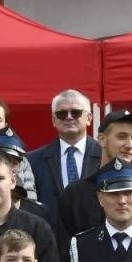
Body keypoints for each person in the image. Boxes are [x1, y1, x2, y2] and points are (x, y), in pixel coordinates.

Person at [56, 109, 132, 240]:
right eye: (122, 137)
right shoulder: (74, 195)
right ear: (102, 140)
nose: (130, 145)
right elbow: (66, 247)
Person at [27, 90, 101, 223]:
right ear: (54, 120)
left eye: (76, 112)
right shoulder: (32, 160)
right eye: (62, 114)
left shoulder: (106, 156)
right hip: (50, 233)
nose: (69, 117)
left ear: (89, 118)